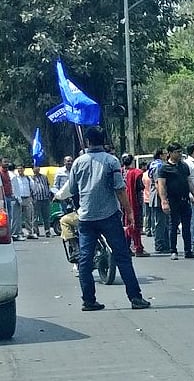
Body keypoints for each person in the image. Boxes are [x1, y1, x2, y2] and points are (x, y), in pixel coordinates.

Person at [67, 126, 150, 311]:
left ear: (87, 142)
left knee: (85, 260)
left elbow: (72, 190)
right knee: (122, 257)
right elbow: (119, 189)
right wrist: (129, 212)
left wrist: (80, 207)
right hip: (109, 216)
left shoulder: (78, 163)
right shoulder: (111, 161)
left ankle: (88, 300)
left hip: (86, 218)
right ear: (103, 140)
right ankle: (135, 298)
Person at [157, 142, 194, 260]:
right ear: (170, 153)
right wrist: (164, 201)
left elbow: (189, 181)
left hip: (185, 200)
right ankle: (173, 251)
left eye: (180, 151)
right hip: (173, 200)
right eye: (177, 152)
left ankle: (188, 250)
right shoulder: (164, 168)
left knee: (187, 226)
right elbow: (161, 185)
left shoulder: (184, 166)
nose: (179, 154)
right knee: (173, 225)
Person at [121, 154, 149, 257]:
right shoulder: (136, 172)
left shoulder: (121, 171)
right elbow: (140, 187)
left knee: (126, 224)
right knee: (136, 224)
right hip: (134, 201)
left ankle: (127, 246)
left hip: (122, 201)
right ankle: (138, 247)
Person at [147, 148, 169, 253]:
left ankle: (164, 243)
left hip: (156, 195)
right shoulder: (159, 165)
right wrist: (163, 198)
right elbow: (158, 183)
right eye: (165, 154)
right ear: (160, 155)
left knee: (164, 221)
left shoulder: (153, 164)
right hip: (158, 195)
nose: (166, 155)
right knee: (160, 222)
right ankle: (160, 244)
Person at [13, 164, 36, 239]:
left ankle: (29, 232)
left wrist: (32, 196)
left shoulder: (28, 178)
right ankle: (20, 233)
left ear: (24, 169)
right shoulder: (15, 178)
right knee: (18, 217)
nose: (20, 170)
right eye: (18, 169)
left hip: (27, 198)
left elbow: (33, 187)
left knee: (29, 216)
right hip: (18, 199)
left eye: (21, 169)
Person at [30, 165, 53, 237]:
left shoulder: (44, 177)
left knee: (46, 216)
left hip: (45, 199)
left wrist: (49, 195)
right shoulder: (31, 178)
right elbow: (30, 189)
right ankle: (36, 232)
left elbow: (47, 186)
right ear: (33, 169)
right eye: (35, 167)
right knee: (35, 217)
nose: (37, 169)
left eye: (38, 167)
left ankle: (47, 231)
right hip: (36, 200)